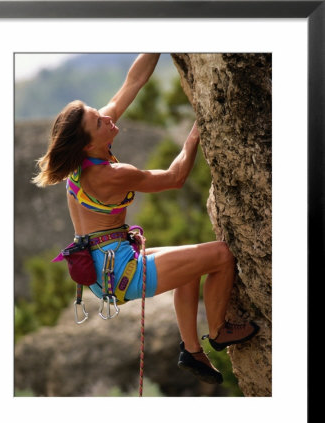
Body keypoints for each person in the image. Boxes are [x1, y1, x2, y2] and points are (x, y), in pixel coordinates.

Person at [33, 53, 259, 385]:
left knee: (190, 266)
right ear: (87, 142)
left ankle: (192, 351)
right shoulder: (108, 175)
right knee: (221, 255)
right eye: (100, 122)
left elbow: (133, 82)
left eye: (100, 115)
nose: (109, 119)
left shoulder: (86, 153)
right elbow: (175, 177)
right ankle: (219, 332)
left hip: (104, 265)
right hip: (122, 271)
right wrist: (199, 128)